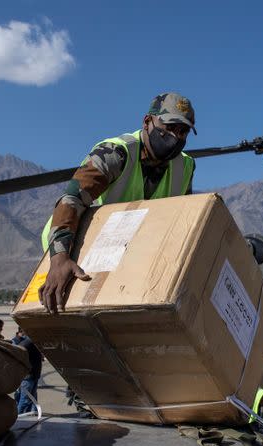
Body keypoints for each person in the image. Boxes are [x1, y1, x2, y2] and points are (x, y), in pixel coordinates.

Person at [38, 92, 197, 314]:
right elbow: (71, 199)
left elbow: (183, 220)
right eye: (170, 127)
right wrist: (59, 259)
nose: (175, 136)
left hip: (126, 257)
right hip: (74, 248)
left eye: (183, 131)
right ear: (147, 121)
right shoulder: (115, 153)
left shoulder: (185, 167)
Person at [12, 327, 43, 414]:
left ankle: (31, 415)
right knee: (25, 400)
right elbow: (18, 353)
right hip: (29, 377)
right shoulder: (28, 343)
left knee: (32, 399)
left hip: (33, 375)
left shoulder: (32, 342)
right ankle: (18, 418)